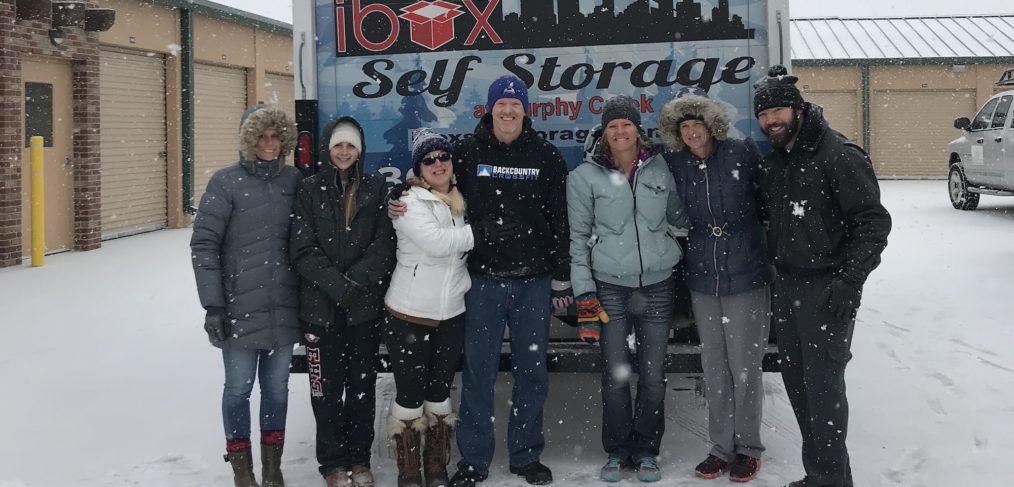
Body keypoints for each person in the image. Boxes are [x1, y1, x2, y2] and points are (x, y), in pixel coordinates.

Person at [390, 75, 572, 487]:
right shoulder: (468, 152)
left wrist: (561, 277)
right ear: (489, 110)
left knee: (531, 373)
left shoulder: (547, 155)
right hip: (483, 282)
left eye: (515, 105)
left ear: (526, 110)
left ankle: (526, 455)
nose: (508, 112)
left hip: (533, 282)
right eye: (501, 105)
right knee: (478, 373)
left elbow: (561, 220)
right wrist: (396, 197)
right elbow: (429, 180)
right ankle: (473, 460)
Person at [752, 65, 892, 487]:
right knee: (799, 387)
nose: (770, 120)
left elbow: (873, 223)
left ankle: (830, 479)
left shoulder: (838, 155)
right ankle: (824, 477)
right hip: (787, 284)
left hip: (826, 288)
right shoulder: (776, 161)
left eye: (778, 110)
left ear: (797, 110)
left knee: (824, 391)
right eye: (763, 114)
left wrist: (850, 282)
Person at [567, 96, 689, 483]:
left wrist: (671, 239)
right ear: (603, 132)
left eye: (627, 125)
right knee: (616, 376)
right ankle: (618, 452)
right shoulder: (584, 177)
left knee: (653, 376)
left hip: (657, 285)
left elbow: (680, 217)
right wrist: (585, 295)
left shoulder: (661, 168)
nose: (620, 132)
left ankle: (647, 451)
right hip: (610, 289)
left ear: (639, 129)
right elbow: (578, 238)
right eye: (612, 126)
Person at [658, 87, 772, 483]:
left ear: (712, 124)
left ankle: (749, 448)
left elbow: (767, 203)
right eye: (684, 126)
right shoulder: (674, 162)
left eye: (697, 123)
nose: (692, 132)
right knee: (715, 367)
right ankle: (720, 447)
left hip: (746, 273)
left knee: (745, 366)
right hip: (703, 276)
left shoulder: (741, 154)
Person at [190, 104, 301, 487]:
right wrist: (214, 306)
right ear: (247, 140)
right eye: (261, 136)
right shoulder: (225, 183)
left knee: (277, 390)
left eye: (275, 136)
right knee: (238, 389)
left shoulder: (294, 181)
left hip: (284, 308)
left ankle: (272, 469)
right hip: (239, 308)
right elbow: (204, 246)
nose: (269, 144)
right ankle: (243, 472)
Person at [289, 115, 396, 487]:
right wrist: (336, 286)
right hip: (320, 311)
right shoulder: (309, 189)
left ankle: (359, 460)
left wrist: (356, 283)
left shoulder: (375, 188)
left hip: (363, 310)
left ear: (360, 150)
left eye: (351, 145)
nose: (345, 151)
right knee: (325, 391)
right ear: (328, 148)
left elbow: (384, 247)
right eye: (338, 145)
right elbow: (302, 249)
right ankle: (332, 464)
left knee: (362, 389)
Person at [383, 129, 474, 487]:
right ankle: (408, 468)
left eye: (443, 157)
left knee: (439, 391)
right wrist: (481, 232)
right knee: (409, 393)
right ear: (418, 168)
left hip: (451, 312)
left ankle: (435, 463)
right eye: (429, 159)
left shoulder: (460, 199)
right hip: (409, 311)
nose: (438, 163)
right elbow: (437, 244)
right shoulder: (408, 201)